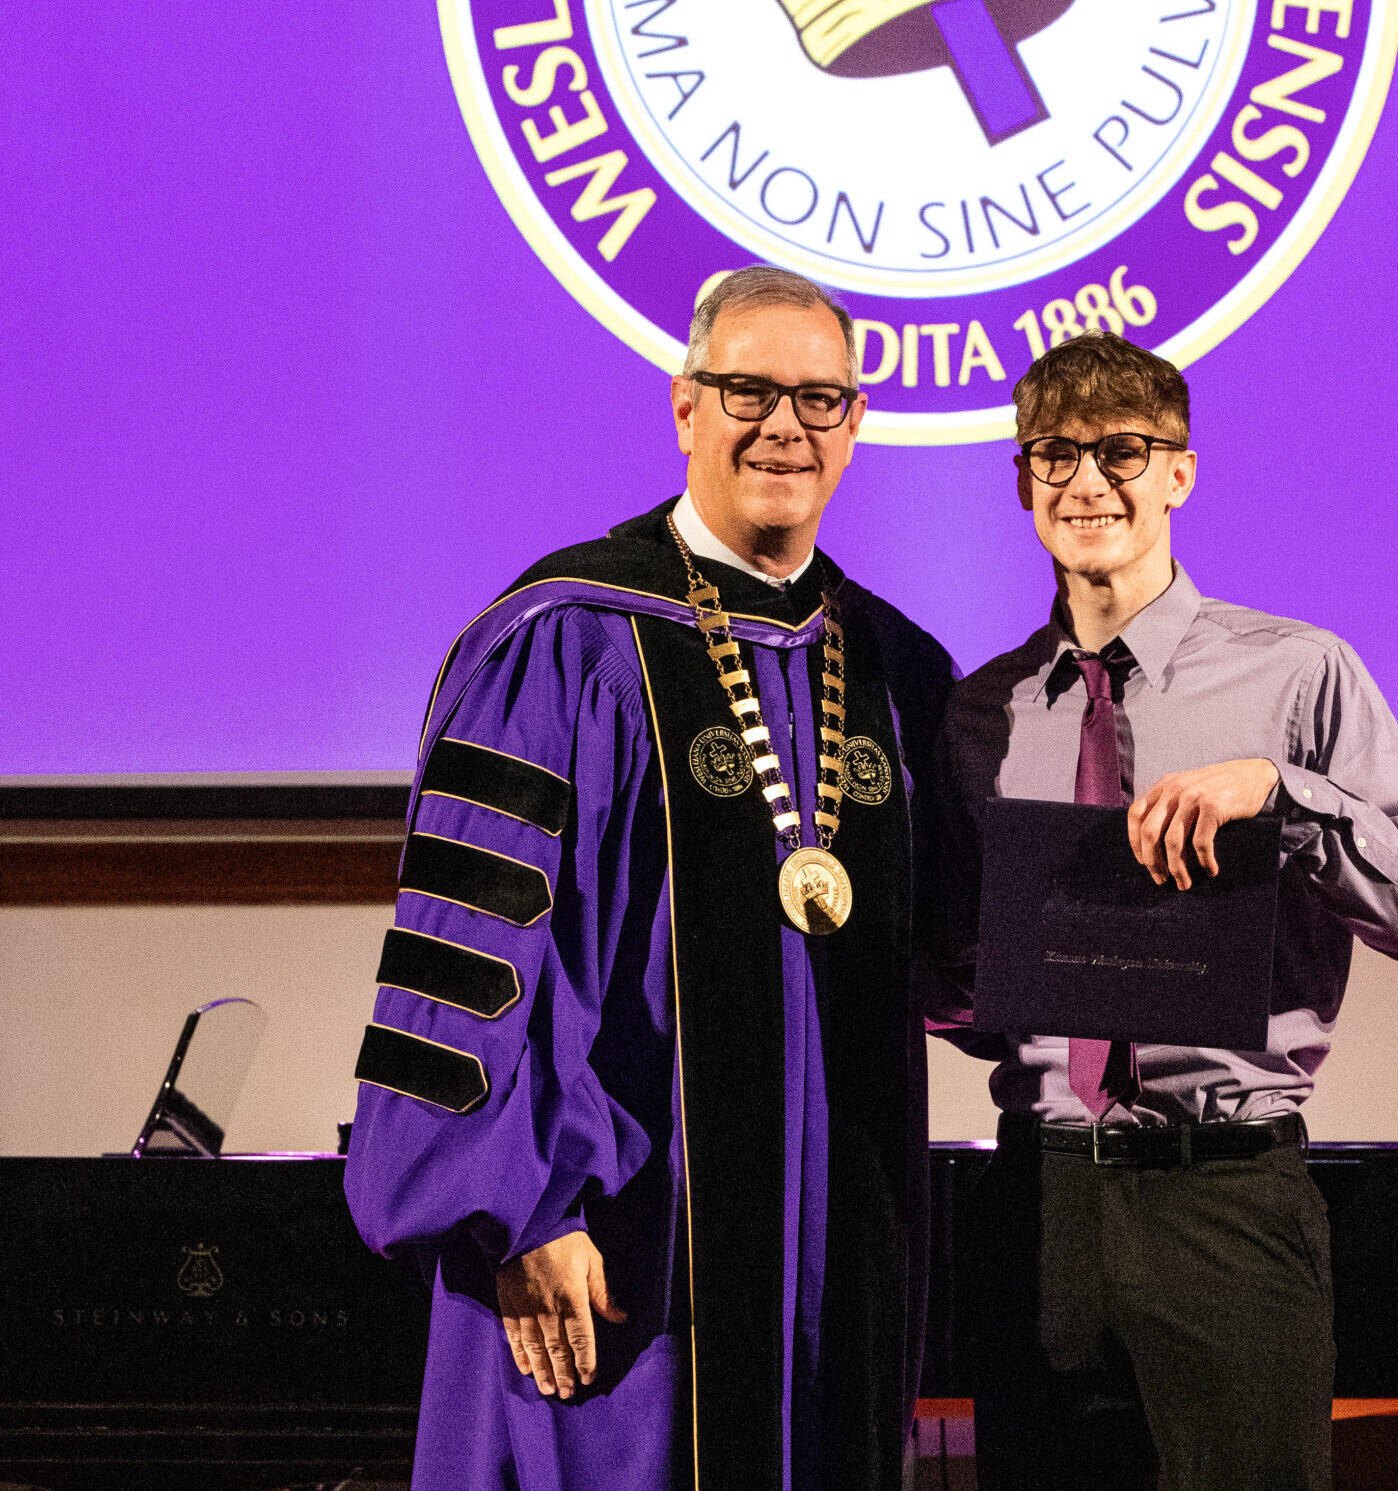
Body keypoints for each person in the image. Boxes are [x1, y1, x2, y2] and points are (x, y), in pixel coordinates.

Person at [345, 266, 955, 1491]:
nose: (785, 426)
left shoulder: (896, 667)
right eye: (749, 391)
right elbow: (467, 960)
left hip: (834, 1269)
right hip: (615, 1244)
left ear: (857, 424)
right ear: (686, 406)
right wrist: (518, 1212)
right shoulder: (566, 642)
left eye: (821, 399)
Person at [925, 333, 1398, 1491]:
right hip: (1038, 1203)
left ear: (1179, 473)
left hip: (1219, 1195)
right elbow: (973, 980)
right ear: (1024, 481)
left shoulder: (1297, 676)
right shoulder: (983, 713)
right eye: (1054, 455)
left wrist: (1284, 793)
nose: (1087, 482)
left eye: (1123, 451)